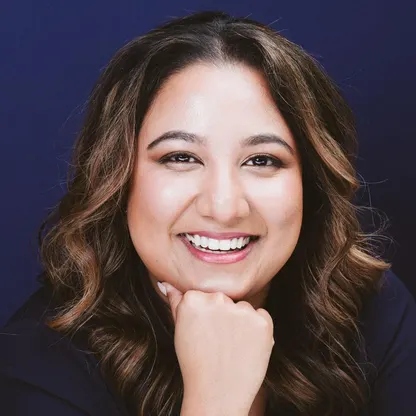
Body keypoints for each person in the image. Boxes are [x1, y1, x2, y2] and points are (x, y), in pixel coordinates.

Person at [1, 10, 415, 416]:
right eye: (181, 157)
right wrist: (216, 402)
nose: (224, 208)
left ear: (311, 182)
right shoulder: (37, 369)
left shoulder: (370, 306)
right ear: (117, 179)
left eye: (261, 160)